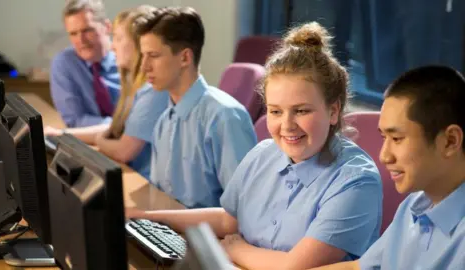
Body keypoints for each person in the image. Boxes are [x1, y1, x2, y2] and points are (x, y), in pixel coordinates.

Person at [127, 21, 383, 269]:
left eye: (301, 111)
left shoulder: (356, 181)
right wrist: (152, 218)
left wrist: (236, 249)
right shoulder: (263, 154)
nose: (287, 125)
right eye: (275, 111)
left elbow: (295, 267)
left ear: (334, 111)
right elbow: (228, 221)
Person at [310, 65, 465, 270]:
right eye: (384, 137)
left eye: (397, 139)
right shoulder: (413, 206)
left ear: (450, 141)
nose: (384, 156)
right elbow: (359, 268)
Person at [133, 6, 257, 208]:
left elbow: (244, 209)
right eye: (143, 55)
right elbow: (159, 197)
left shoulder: (224, 116)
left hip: (211, 236)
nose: (144, 66)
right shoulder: (164, 121)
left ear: (185, 58)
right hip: (170, 230)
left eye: (153, 56)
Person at [45, 5, 169, 180]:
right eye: (73, 34)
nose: (113, 47)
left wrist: (101, 139)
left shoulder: (151, 90)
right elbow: (114, 128)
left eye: (118, 38)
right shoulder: (133, 84)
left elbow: (124, 148)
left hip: (146, 178)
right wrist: (61, 134)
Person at [51, 0, 121, 127]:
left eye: (87, 30)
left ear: (107, 27)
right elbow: (74, 120)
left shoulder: (129, 58)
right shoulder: (65, 63)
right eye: (73, 33)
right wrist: (118, 126)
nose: (81, 40)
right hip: (91, 142)